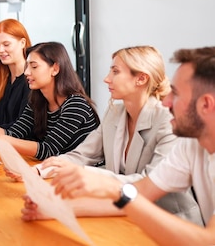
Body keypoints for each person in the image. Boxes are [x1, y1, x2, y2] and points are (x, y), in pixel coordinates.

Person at [23, 47, 215, 245]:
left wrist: (110, 186)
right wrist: (55, 207)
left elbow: (207, 240)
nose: (166, 101)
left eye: (176, 94)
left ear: (206, 105)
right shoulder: (191, 146)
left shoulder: (170, 126)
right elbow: (138, 195)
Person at [0, 42, 99, 161]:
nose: (26, 72)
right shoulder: (38, 101)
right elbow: (14, 133)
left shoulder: (76, 105)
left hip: (84, 176)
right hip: (54, 171)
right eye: (27, 67)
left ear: (55, 69)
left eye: (34, 67)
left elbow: (48, 149)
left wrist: (2, 140)